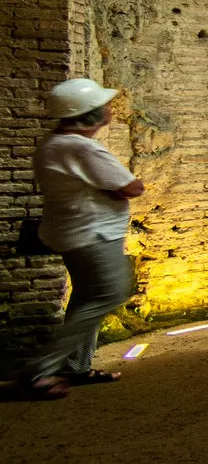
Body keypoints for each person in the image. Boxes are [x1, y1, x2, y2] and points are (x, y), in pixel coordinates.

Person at [21, 79, 144, 400]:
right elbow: (132, 187)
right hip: (93, 234)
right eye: (103, 105)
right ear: (87, 114)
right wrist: (120, 186)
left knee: (86, 297)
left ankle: (76, 367)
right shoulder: (83, 147)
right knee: (111, 292)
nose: (108, 109)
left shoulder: (53, 144)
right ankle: (40, 369)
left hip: (71, 232)